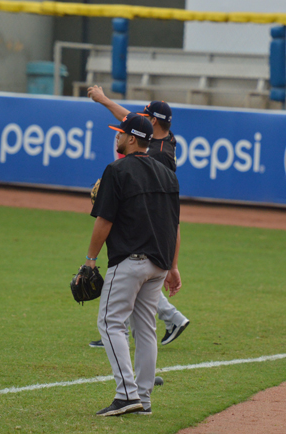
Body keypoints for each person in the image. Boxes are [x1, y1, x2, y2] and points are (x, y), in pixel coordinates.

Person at [85, 113, 182, 416]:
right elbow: (175, 224)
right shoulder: (167, 173)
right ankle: (144, 399)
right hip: (159, 263)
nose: (117, 136)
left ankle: (126, 394)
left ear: (130, 139)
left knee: (110, 323)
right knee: (145, 329)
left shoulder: (117, 169)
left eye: (120, 133)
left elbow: (105, 220)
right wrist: (174, 266)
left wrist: (90, 259)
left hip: (130, 260)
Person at [86, 85, 189, 348]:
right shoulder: (164, 138)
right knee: (141, 285)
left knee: (134, 274)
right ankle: (165, 320)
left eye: (146, 116)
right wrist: (104, 100)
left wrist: (114, 192)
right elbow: (131, 121)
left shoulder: (158, 156)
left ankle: (169, 318)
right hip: (153, 236)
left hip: (146, 224)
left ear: (153, 122)